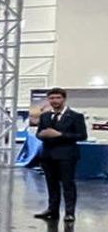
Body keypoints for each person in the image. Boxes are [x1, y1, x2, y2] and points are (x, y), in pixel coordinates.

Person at [34, 87, 87, 222]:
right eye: (52, 98)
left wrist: (60, 134)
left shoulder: (75, 116)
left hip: (66, 156)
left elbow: (82, 135)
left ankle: (69, 212)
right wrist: (42, 135)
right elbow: (38, 133)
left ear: (64, 99)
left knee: (68, 184)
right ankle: (52, 210)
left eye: (58, 98)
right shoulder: (44, 116)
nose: (55, 101)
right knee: (51, 184)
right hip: (48, 155)